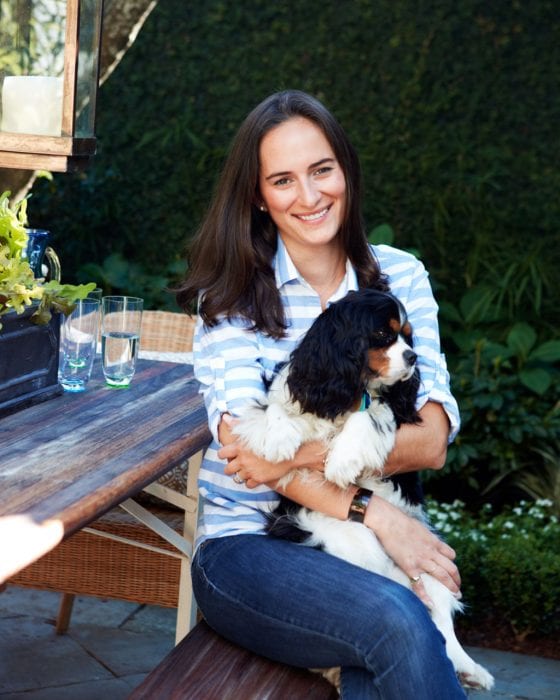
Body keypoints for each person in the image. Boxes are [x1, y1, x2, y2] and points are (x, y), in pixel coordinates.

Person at [176, 90, 466, 699]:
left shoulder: (401, 277)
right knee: (396, 620)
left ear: (346, 170)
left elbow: (433, 439)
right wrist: (375, 510)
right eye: (282, 180)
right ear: (258, 194)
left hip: (356, 547)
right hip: (249, 551)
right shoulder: (229, 298)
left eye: (321, 170)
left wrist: (297, 456)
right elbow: (244, 459)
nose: (308, 197)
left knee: (385, 639)